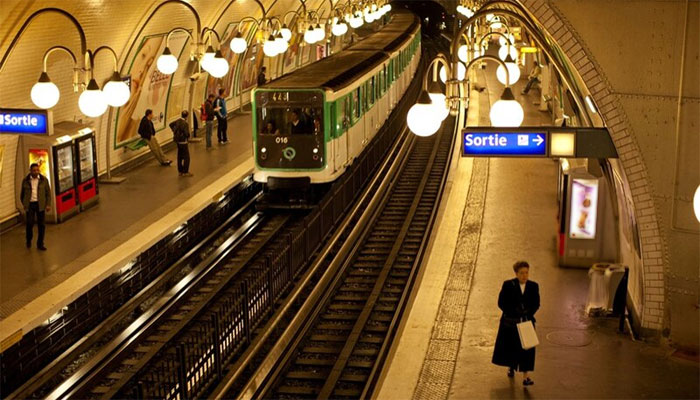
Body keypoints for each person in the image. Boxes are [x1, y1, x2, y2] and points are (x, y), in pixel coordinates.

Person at [492, 261, 540, 386]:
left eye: (526, 272)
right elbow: (501, 302)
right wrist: (513, 311)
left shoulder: (534, 286)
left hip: (526, 322)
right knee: (512, 347)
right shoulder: (508, 285)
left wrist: (528, 312)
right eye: (522, 273)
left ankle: (526, 376)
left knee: (528, 349)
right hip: (511, 323)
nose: (525, 275)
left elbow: (536, 303)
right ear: (516, 273)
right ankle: (511, 366)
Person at [20, 163, 51, 250]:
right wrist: (25, 204)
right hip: (30, 204)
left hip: (40, 204)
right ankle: (29, 240)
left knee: (41, 225)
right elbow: (22, 194)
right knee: (29, 223)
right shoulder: (25, 181)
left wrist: (48, 204)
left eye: (37, 170)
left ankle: (40, 243)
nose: (36, 172)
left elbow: (48, 193)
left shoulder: (44, 180)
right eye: (34, 170)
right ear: (30, 171)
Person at [170, 111, 193, 177]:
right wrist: (187, 136)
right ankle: (185, 171)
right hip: (183, 142)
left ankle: (180, 171)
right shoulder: (185, 123)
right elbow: (186, 133)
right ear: (187, 116)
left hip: (178, 141)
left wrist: (174, 131)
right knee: (186, 157)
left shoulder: (178, 121)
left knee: (179, 156)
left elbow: (171, 124)